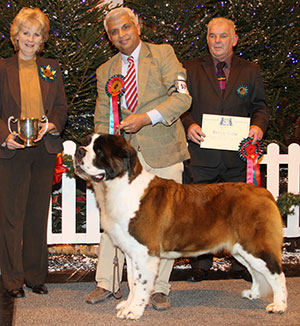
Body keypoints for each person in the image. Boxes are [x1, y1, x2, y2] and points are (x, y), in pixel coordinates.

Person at [87, 7, 191, 310]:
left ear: (138, 26)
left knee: (164, 223)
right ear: (109, 38)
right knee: (113, 221)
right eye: (114, 32)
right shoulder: (106, 70)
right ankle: (106, 282)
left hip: (164, 152)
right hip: (122, 166)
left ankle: (160, 288)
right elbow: (101, 118)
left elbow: (183, 97)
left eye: (125, 28)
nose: (121, 35)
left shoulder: (163, 54)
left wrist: (145, 118)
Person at [181, 17, 269, 281]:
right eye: (211, 35)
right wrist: (188, 123)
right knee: (198, 212)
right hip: (202, 154)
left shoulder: (250, 70)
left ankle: (242, 264)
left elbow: (261, 107)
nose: (216, 41)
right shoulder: (190, 68)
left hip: (237, 157)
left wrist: (258, 128)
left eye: (222, 36)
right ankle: (199, 264)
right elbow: (180, 105)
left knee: (240, 213)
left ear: (234, 39)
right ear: (206, 38)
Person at [0, 7, 68, 298]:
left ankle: (35, 276)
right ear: (16, 36)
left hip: (44, 149)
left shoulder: (50, 67)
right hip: (13, 151)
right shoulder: (2, 68)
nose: (30, 38)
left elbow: (62, 108)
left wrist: (51, 124)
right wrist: (4, 136)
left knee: (38, 215)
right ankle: (12, 280)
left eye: (36, 34)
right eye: (26, 33)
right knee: (11, 217)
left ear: (43, 40)